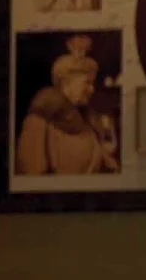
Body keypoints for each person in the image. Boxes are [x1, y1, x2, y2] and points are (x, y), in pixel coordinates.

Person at [16, 34, 120, 175]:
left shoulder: (88, 120)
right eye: (87, 83)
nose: (92, 89)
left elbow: (104, 165)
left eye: (93, 83)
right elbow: (31, 174)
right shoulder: (39, 122)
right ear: (66, 83)